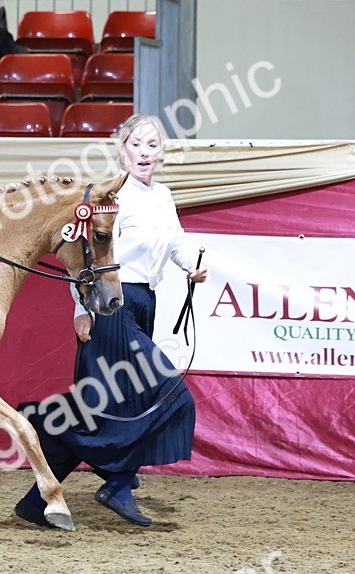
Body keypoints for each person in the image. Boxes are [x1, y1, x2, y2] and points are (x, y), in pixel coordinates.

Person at [13, 113, 209, 528]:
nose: (144, 152)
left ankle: (36, 502)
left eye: (152, 145)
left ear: (161, 153)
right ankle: (117, 483)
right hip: (110, 307)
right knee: (170, 393)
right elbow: (85, 258)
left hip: (145, 303)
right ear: (122, 149)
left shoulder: (163, 196)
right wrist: (81, 309)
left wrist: (194, 265)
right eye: (136, 144)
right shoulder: (106, 196)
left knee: (104, 409)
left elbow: (177, 244)